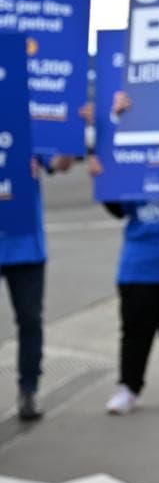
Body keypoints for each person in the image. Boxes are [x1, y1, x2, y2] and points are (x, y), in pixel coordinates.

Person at [87, 93, 159, 414]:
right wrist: (104, 180)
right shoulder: (134, 157)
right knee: (135, 329)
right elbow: (119, 209)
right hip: (139, 262)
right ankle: (128, 387)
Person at [0, 151, 73, 422]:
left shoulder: (24, 119)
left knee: (30, 321)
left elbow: (60, 163)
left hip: (25, 248)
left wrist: (71, 137)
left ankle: (28, 390)